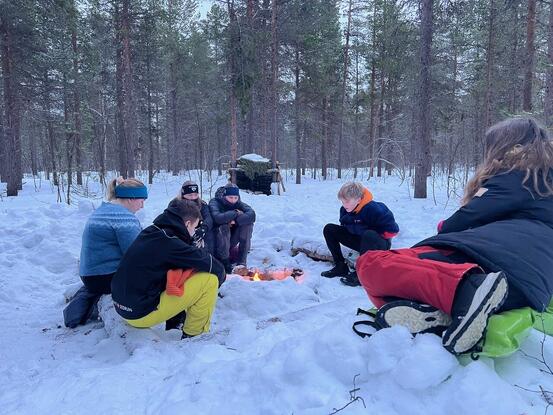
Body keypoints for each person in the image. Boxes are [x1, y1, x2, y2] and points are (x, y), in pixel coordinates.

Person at [357, 117, 553, 355]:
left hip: (492, 267)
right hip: (522, 291)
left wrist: (439, 232)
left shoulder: (518, 175)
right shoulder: (543, 181)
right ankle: (444, 313)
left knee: (372, 263)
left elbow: (465, 218)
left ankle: (467, 290)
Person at [111, 199, 226, 338]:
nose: (194, 231)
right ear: (187, 223)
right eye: (195, 227)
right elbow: (214, 267)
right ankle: (195, 334)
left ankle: (179, 322)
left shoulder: (153, 231)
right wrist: (221, 278)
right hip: (138, 314)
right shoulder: (171, 242)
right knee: (209, 280)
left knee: (183, 272)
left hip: (124, 306)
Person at [63, 177, 147, 328]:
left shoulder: (103, 210)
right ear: (130, 199)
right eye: (141, 200)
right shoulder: (124, 218)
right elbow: (136, 255)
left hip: (89, 275)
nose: (142, 205)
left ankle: (84, 302)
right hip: (105, 278)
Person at [321, 182, 399, 287]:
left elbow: (392, 231)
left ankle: (362, 273)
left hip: (378, 245)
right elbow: (345, 227)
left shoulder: (374, 209)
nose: (344, 205)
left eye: (347, 201)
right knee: (329, 229)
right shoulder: (345, 210)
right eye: (342, 201)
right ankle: (340, 266)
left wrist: (373, 237)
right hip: (361, 242)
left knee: (369, 234)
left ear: (358, 199)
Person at [209, 183, 256, 273]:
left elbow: (252, 215)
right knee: (224, 225)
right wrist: (235, 213)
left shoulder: (239, 203)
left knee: (247, 224)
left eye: (235, 198)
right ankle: (225, 261)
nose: (233, 200)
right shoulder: (215, 202)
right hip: (216, 242)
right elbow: (218, 218)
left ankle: (241, 262)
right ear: (224, 196)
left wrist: (236, 221)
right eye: (230, 197)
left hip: (231, 240)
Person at [175, 180, 214, 254]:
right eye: (190, 195)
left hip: (198, 230)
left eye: (195, 195)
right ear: (183, 195)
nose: (193, 198)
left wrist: (203, 229)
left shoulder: (201, 204)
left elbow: (208, 218)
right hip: (181, 231)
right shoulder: (175, 204)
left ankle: (210, 258)